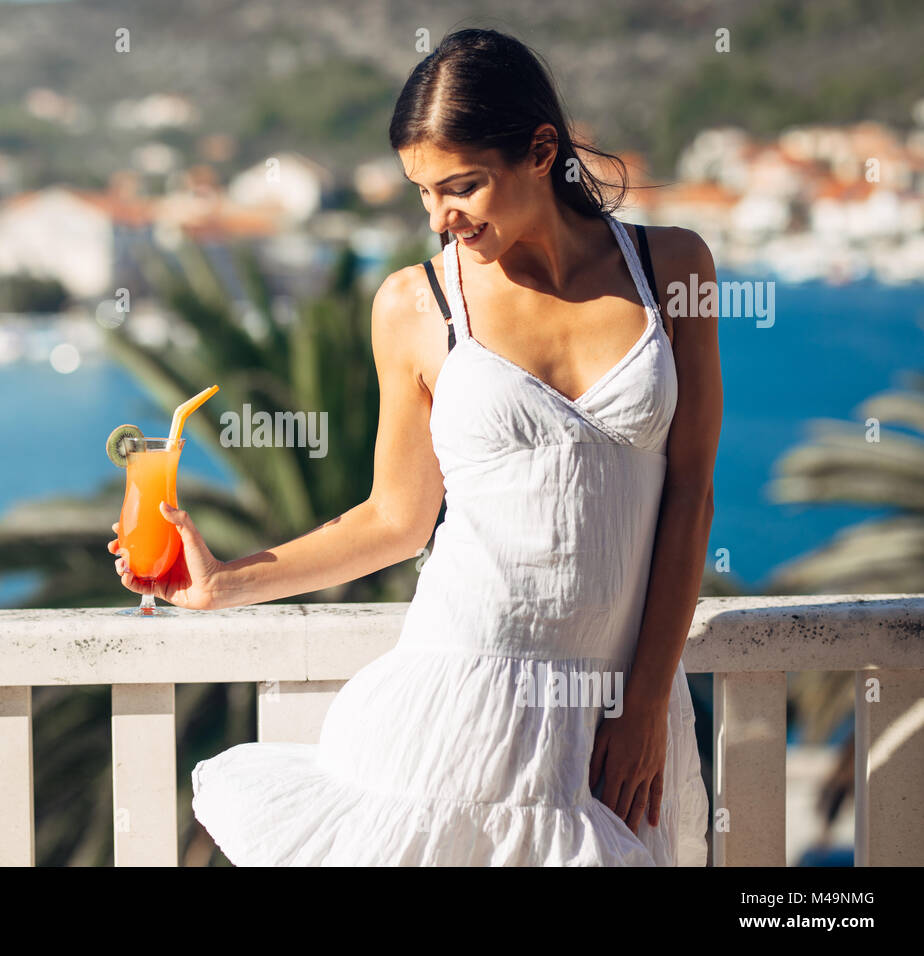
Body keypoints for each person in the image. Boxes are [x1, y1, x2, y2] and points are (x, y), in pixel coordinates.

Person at [108, 27, 721, 865]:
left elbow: (690, 494)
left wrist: (647, 700)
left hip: (619, 717)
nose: (440, 217)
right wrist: (225, 583)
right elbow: (397, 519)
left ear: (541, 150)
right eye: (422, 192)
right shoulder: (415, 303)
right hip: (459, 705)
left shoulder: (673, 269)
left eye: (461, 185)